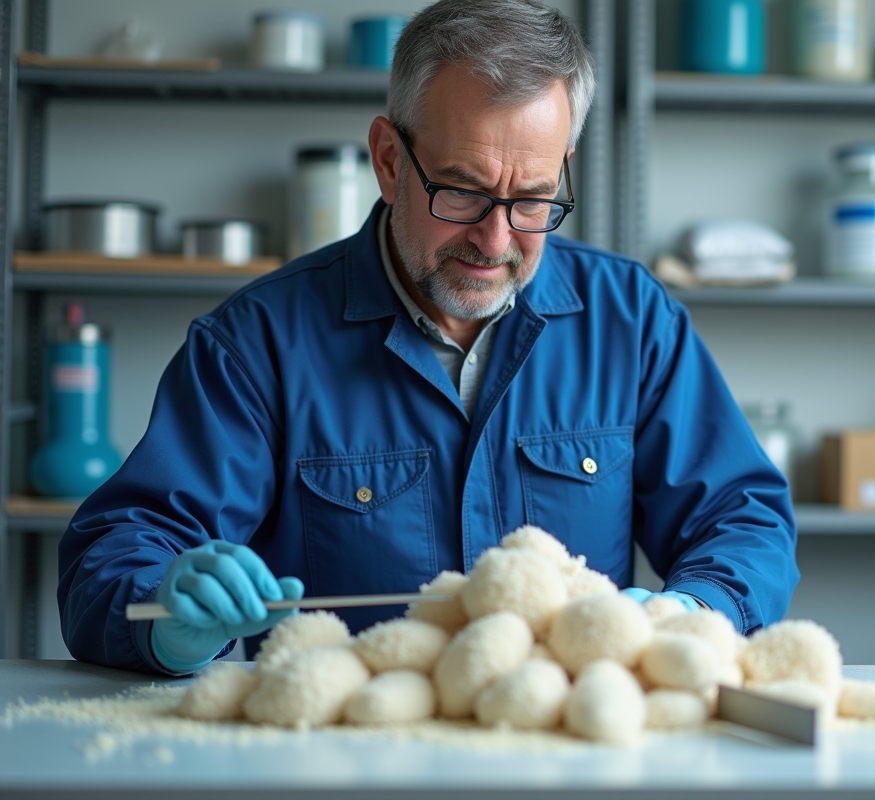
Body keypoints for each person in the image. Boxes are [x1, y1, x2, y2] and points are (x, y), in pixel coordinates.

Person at [58, 0, 798, 676]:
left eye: (533, 199)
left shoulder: (631, 320)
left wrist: (693, 610)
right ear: (387, 161)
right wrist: (163, 615)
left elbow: (742, 519)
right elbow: (115, 552)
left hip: (573, 753)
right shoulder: (255, 345)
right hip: (347, 757)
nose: (495, 239)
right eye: (463, 191)